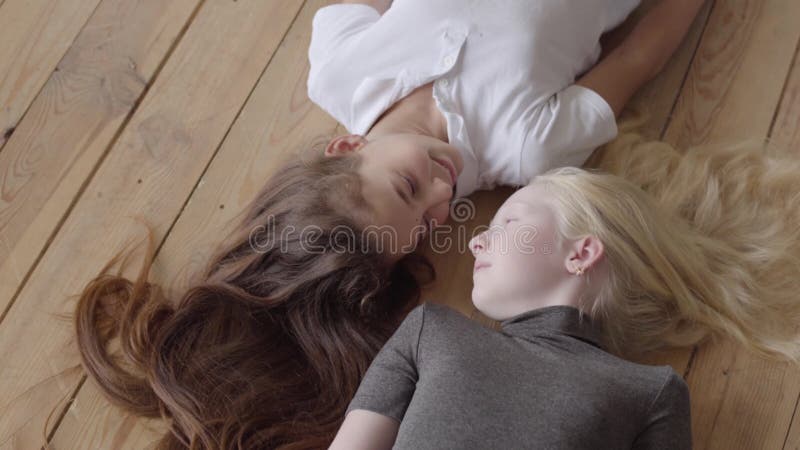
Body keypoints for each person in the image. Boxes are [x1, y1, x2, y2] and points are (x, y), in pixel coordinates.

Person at [69, 1, 723, 448]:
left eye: (408, 186)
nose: (444, 190)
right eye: (432, 219)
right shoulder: (527, 148)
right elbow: (642, 55)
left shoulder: (340, 70)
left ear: (344, 148)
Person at [330, 165, 800, 449]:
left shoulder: (651, 393)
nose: (476, 241)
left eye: (508, 220)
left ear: (581, 253)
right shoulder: (429, 330)